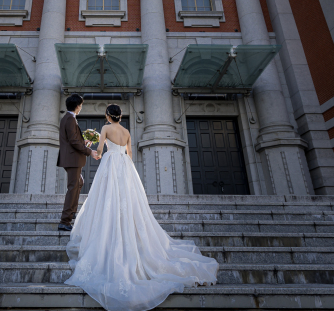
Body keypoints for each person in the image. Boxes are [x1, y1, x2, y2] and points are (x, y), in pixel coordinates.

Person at [64, 104, 218, 311]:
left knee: (106, 199)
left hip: (110, 164)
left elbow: (100, 151)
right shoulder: (126, 131)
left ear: (108, 116)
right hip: (126, 167)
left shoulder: (105, 128)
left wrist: (90, 147)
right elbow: (129, 154)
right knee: (128, 201)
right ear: (120, 116)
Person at [57, 93, 100, 232]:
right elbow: (73, 141)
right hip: (72, 159)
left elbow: (74, 140)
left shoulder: (69, 118)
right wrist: (89, 151)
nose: (81, 107)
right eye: (80, 105)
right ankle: (65, 220)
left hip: (72, 158)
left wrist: (84, 143)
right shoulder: (70, 119)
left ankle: (71, 213)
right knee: (73, 187)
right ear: (77, 106)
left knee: (78, 183)